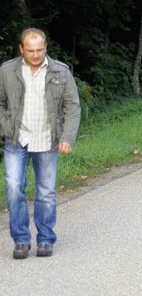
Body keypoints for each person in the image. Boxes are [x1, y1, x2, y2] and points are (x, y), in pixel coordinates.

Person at [0, 28, 81, 259]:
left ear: (45, 47)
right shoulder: (7, 70)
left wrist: (67, 137)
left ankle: (45, 239)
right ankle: (21, 240)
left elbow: (73, 106)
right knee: (14, 188)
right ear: (21, 49)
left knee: (45, 192)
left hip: (47, 140)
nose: (36, 55)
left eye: (40, 50)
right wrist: (6, 126)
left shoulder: (60, 71)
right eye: (31, 50)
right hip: (17, 139)